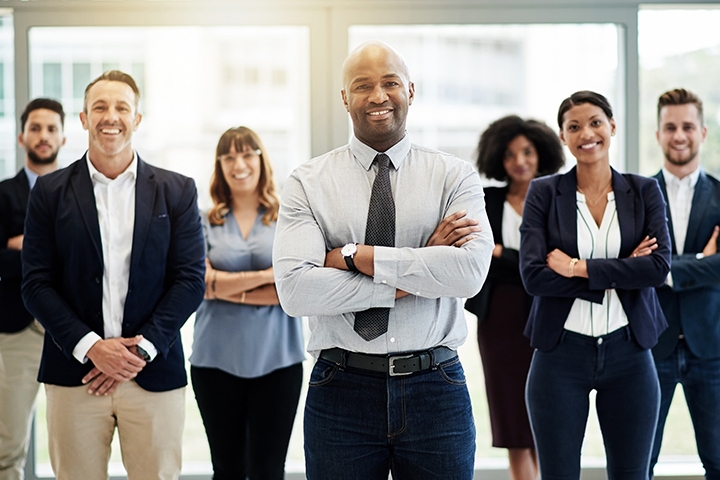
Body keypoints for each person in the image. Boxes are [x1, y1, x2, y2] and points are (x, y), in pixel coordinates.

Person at [272, 41, 494, 480]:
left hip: (436, 387)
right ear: (344, 98)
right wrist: (423, 268)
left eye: (390, 83)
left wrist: (357, 256)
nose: (378, 96)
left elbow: (468, 273)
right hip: (341, 389)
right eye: (363, 86)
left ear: (411, 90)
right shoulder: (307, 183)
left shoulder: (454, 177)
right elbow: (296, 291)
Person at [21, 70, 205, 480]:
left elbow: (190, 280)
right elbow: (36, 284)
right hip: (75, 376)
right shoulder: (49, 193)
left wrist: (139, 351)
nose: (111, 116)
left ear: (137, 119)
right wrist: (92, 347)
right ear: (84, 118)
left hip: (152, 374)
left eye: (122, 107)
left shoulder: (177, 191)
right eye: (100, 107)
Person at [519, 90, 671, 479]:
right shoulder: (544, 192)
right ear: (562, 136)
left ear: (612, 126)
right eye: (574, 126)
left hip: (630, 352)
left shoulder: (644, 191)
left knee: (632, 474)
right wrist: (622, 270)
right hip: (559, 355)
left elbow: (656, 268)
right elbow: (534, 275)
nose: (586, 133)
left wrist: (576, 268)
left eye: (595, 122)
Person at [189, 126, 304, 480]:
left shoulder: (289, 215)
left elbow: (295, 289)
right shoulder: (204, 219)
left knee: (269, 471)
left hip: (278, 361)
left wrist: (227, 286)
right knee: (226, 470)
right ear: (220, 165)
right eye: (229, 157)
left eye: (246, 154)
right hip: (215, 361)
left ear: (261, 159)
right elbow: (200, 284)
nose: (238, 164)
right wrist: (268, 275)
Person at [464, 115, 564, 480]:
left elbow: (554, 260)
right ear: (498, 160)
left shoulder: (557, 198)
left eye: (527, 151)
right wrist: (511, 257)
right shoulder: (487, 200)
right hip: (500, 319)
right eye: (509, 154)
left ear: (542, 153)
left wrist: (503, 254)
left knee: (548, 409)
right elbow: (477, 252)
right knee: (510, 412)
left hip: (547, 311)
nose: (519, 160)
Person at [649, 88, 720, 479]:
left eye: (687, 126)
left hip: (711, 347)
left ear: (703, 132)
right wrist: (700, 262)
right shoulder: (637, 194)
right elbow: (631, 265)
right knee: (639, 461)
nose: (679, 135)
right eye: (670, 127)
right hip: (651, 344)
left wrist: (664, 268)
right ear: (658, 134)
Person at [0, 98, 65, 480]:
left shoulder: (79, 192)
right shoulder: (4, 194)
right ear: (23, 136)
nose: (44, 136)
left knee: (76, 436)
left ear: (64, 135)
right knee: (8, 441)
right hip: (17, 328)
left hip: (71, 329)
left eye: (51, 128)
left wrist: (26, 245)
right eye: (36, 128)